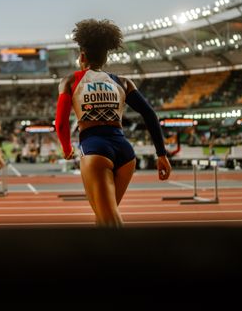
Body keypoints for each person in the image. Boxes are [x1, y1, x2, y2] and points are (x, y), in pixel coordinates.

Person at [55, 18, 171, 227]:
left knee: (110, 221)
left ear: (82, 56)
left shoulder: (71, 81)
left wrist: (65, 147)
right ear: (106, 57)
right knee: (104, 219)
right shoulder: (123, 82)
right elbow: (150, 115)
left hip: (95, 149)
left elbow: (61, 123)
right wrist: (161, 154)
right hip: (125, 153)